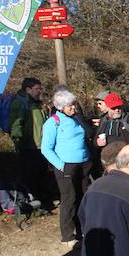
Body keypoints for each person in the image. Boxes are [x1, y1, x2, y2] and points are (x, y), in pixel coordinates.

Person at [41, 89, 92, 246]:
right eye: (70, 106)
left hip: (84, 163)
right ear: (61, 107)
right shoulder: (53, 122)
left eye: (74, 105)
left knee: (84, 197)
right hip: (66, 166)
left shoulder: (76, 119)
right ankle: (68, 236)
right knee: (69, 199)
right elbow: (45, 148)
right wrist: (60, 165)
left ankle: (84, 229)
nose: (74, 108)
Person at [9, 77, 51, 203]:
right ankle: (33, 200)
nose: (40, 91)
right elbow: (16, 126)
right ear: (28, 89)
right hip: (29, 146)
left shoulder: (38, 104)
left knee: (41, 173)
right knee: (30, 175)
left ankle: (43, 198)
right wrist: (19, 143)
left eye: (40, 88)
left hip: (40, 145)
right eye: (37, 89)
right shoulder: (20, 103)